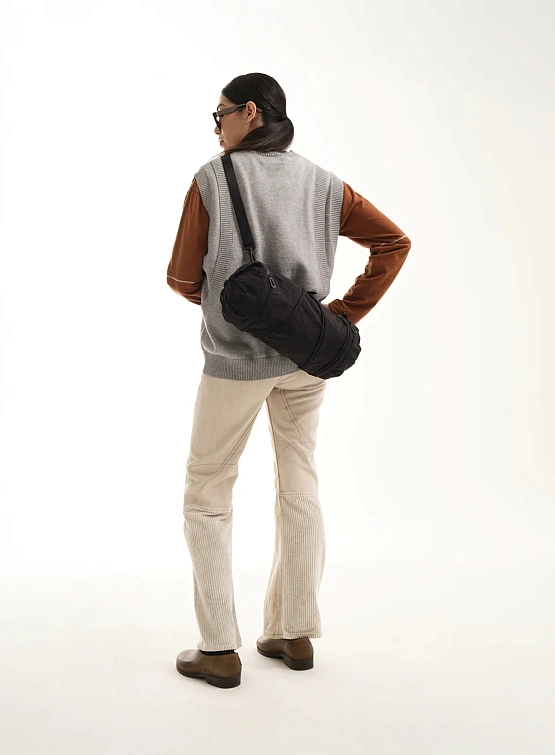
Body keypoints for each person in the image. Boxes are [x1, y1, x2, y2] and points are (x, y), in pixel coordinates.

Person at [167, 73, 411, 689]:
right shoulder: (325, 184)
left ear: (250, 112)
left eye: (220, 114)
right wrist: (338, 315)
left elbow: (182, 278)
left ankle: (218, 648)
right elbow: (392, 243)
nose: (216, 128)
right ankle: (293, 630)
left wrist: (232, 309)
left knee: (207, 489)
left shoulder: (212, 179)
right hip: (305, 359)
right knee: (298, 479)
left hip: (234, 363)